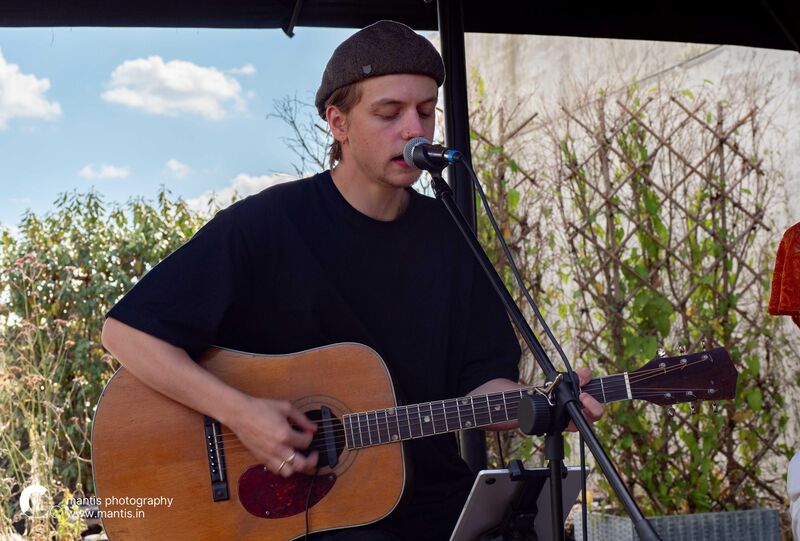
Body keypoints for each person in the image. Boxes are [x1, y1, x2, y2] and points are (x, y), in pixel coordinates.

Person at [101, 20, 603, 541]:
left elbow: (482, 388)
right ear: (338, 123)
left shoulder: (451, 236)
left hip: (434, 508)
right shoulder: (269, 225)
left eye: (426, 110)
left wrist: (547, 405)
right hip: (309, 517)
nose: (414, 129)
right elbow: (126, 333)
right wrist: (242, 414)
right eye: (389, 113)